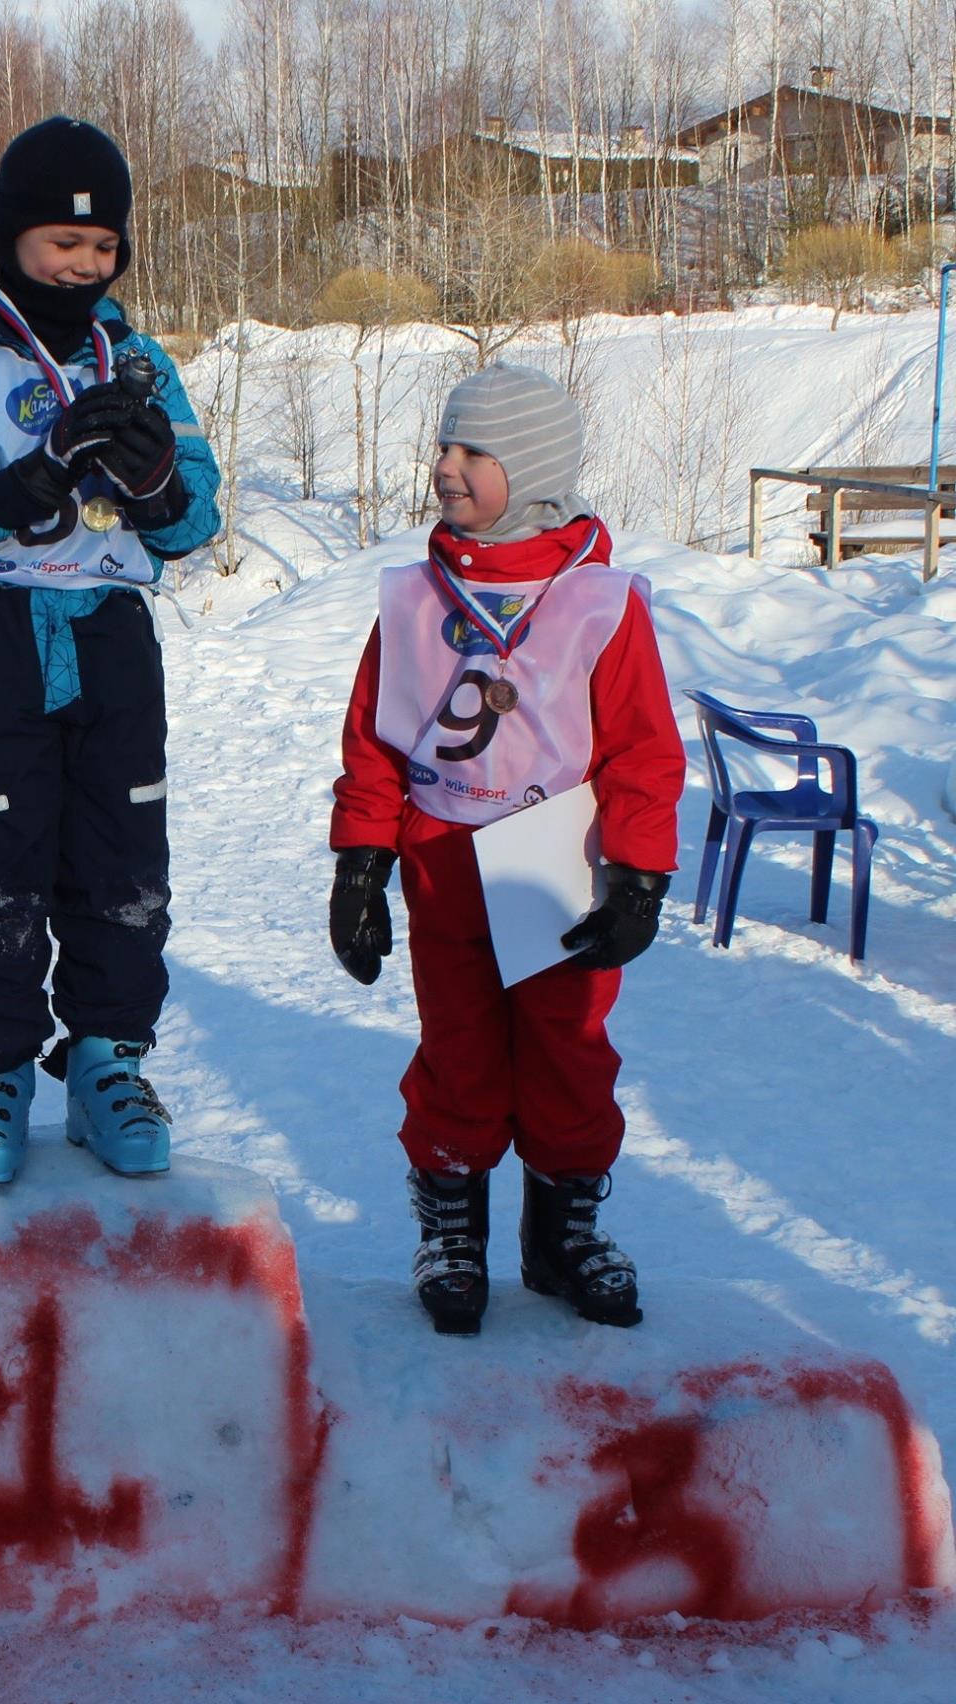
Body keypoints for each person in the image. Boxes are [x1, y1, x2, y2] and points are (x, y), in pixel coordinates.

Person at [0, 116, 222, 1186]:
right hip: (2, 637)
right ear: (6, 238)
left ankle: (108, 1061)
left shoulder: (140, 360)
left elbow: (193, 517)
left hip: (112, 634)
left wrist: (155, 477)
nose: (81, 265)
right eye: (58, 244)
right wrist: (42, 468)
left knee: (123, 862)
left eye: (101, 248)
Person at [326, 363, 683, 1335]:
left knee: (567, 1053)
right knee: (458, 1052)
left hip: (553, 855)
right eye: (441, 447)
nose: (442, 467)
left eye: (468, 453)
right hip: (441, 852)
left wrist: (640, 872)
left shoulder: (597, 603)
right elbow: (373, 736)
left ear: (525, 471)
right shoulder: (412, 599)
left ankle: (559, 1233)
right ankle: (452, 1227)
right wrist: (360, 863)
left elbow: (644, 749)